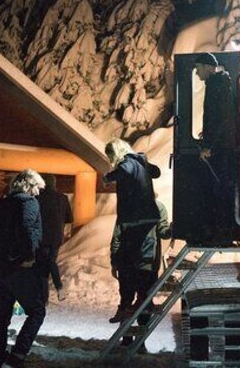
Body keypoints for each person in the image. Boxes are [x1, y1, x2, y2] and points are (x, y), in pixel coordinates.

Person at [0, 169, 46, 368]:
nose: (38, 192)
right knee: (37, 311)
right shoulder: (28, 203)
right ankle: (17, 356)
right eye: (37, 187)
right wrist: (29, 256)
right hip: (19, 266)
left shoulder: (0, 204)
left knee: (2, 312)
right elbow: (27, 228)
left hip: (0, 267)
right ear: (29, 185)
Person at [103, 139, 161, 324]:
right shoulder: (141, 162)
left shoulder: (127, 162)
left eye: (110, 156)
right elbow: (156, 172)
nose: (110, 159)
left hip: (136, 221)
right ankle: (135, 303)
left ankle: (132, 304)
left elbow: (125, 171)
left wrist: (108, 177)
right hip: (146, 219)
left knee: (128, 263)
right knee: (133, 263)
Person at [109, 195, 172, 351]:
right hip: (147, 264)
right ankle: (140, 342)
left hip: (127, 263)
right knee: (145, 303)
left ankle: (127, 340)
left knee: (127, 300)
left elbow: (117, 236)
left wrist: (115, 261)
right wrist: (173, 229)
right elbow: (164, 232)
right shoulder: (158, 207)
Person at [194, 52, 238, 243]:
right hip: (221, 146)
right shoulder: (218, 84)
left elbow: (222, 119)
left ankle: (220, 234)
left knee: (218, 191)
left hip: (221, 149)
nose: (196, 73)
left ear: (208, 67)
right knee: (218, 190)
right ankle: (219, 233)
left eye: (198, 68)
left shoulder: (218, 86)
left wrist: (210, 146)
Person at [37, 173, 73, 301]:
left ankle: (45, 297)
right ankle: (58, 289)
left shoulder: (37, 198)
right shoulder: (62, 198)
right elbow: (69, 218)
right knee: (51, 261)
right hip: (57, 237)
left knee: (42, 266)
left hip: (41, 237)